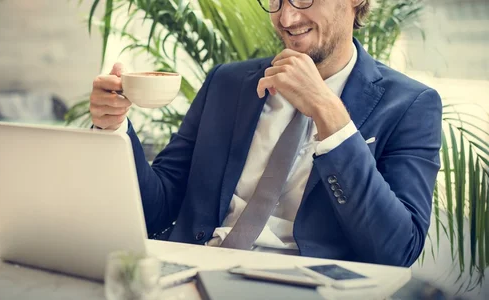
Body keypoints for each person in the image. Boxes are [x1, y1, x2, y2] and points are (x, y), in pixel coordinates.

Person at [89, 0, 442, 267]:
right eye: (275, 0)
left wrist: (329, 113)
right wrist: (115, 127)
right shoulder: (226, 83)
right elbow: (157, 210)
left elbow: (397, 252)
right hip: (193, 272)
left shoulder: (411, 104)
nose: (286, 19)